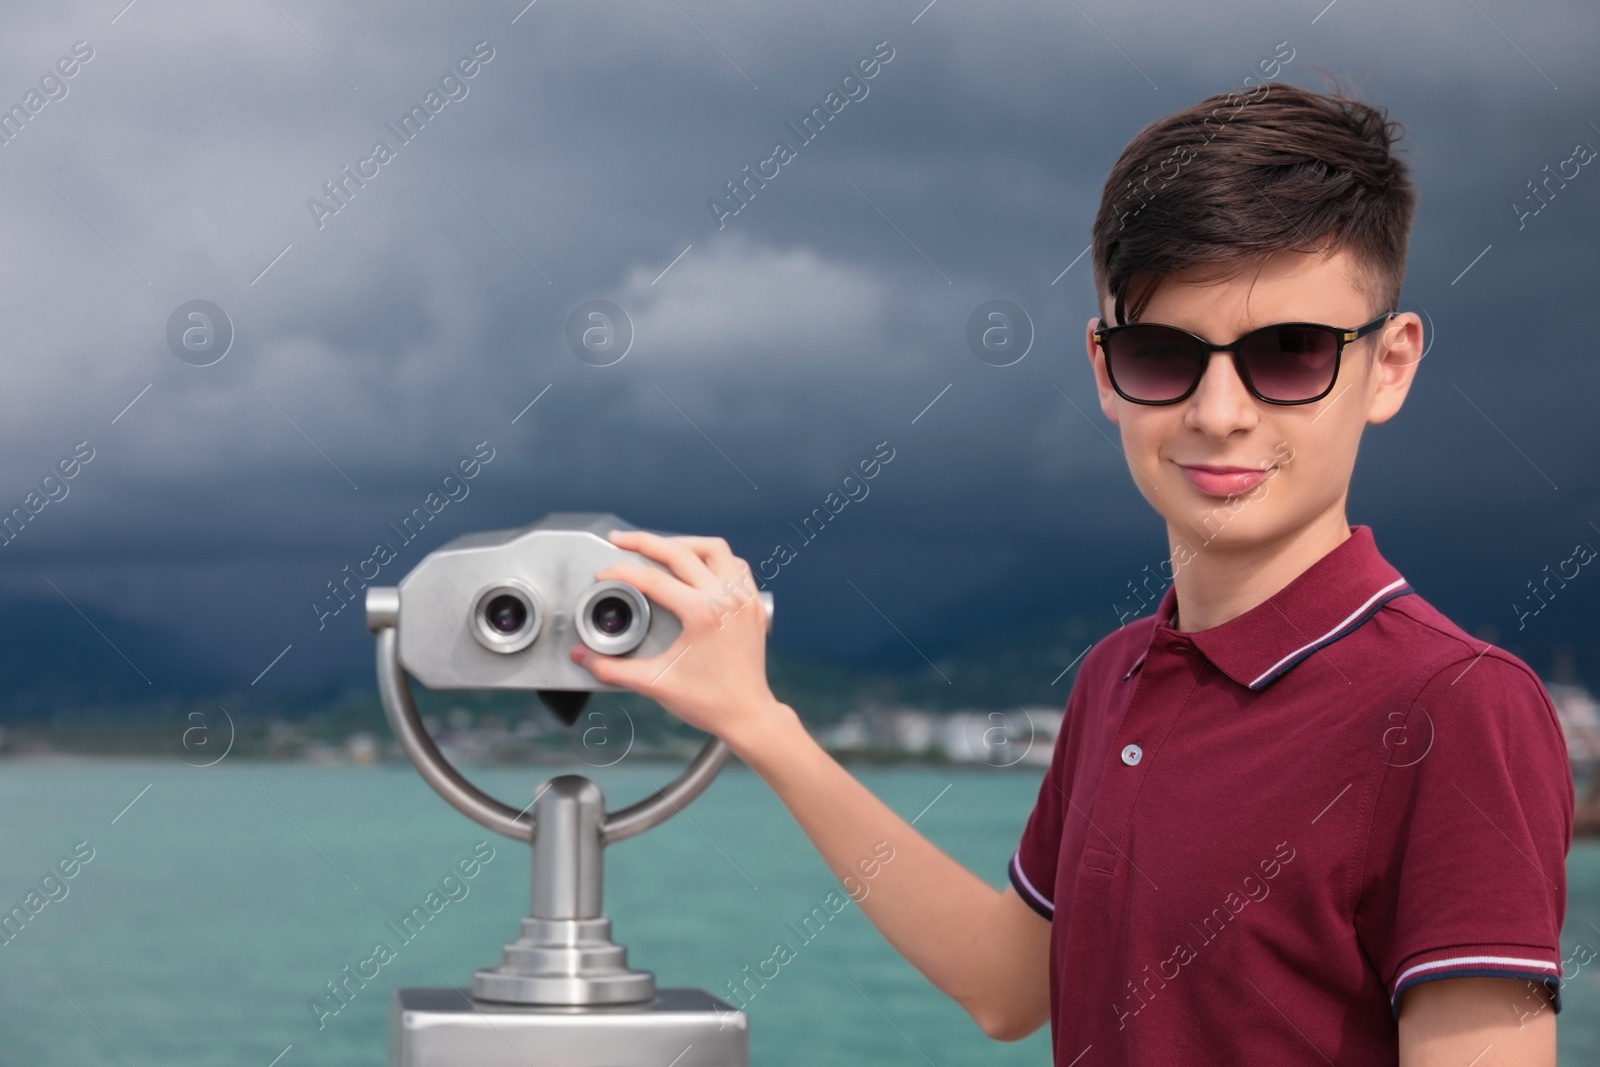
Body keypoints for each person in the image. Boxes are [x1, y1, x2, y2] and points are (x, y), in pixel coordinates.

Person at [568, 80, 1574, 1066]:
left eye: (1289, 353)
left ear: (1388, 365)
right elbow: (1009, 983)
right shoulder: (1114, 678)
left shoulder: (1457, 706)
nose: (1219, 411)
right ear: (1104, 369)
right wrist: (759, 720)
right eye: (1161, 354)